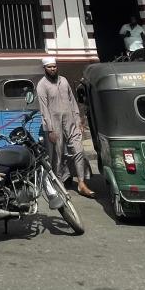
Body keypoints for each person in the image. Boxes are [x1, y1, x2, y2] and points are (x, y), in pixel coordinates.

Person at [35, 56, 94, 198]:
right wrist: (50, 130)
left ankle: (81, 183)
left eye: (54, 66)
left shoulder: (64, 80)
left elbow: (72, 101)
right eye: (49, 67)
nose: (52, 69)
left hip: (70, 121)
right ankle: (58, 183)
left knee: (78, 149)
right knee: (57, 155)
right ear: (44, 69)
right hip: (54, 125)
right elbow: (44, 110)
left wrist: (78, 119)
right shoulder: (42, 85)